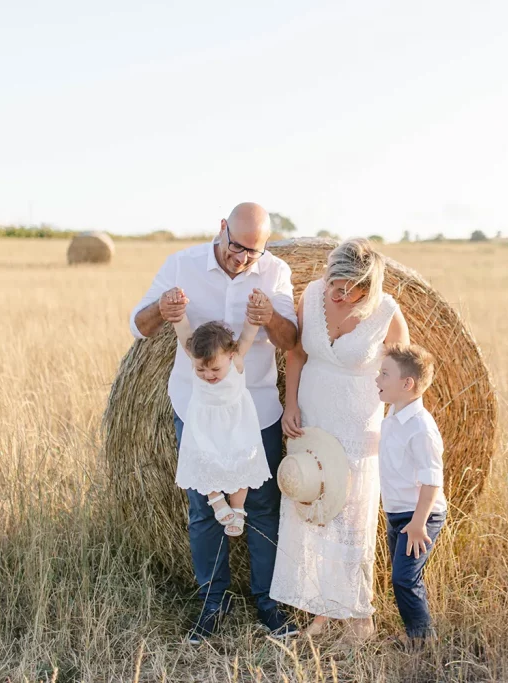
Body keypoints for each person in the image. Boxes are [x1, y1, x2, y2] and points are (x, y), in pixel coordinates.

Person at [129, 202, 299, 644]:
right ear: (221, 229)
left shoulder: (275, 272)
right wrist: (164, 308)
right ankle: (211, 607)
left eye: (253, 252)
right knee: (204, 509)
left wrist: (270, 319)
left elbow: (292, 340)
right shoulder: (181, 265)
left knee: (262, 508)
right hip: (196, 409)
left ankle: (269, 605)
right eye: (237, 247)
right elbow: (140, 326)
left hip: (256, 410)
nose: (243, 259)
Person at [271, 238, 410, 640]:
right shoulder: (312, 295)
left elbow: (405, 378)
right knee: (312, 506)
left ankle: (359, 616)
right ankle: (320, 612)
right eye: (337, 283)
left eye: (354, 288)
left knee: (351, 518)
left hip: (356, 425)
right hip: (312, 419)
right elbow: (296, 354)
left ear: (371, 287)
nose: (342, 293)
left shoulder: (386, 313)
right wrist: (290, 404)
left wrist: (398, 431)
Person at [169, 290, 273, 537]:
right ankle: (215, 499)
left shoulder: (237, 362)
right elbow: (183, 331)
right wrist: (177, 311)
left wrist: (254, 311)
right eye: (201, 370)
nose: (208, 375)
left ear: (231, 355)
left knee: (242, 464)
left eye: (215, 368)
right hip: (204, 424)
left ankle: (238, 510)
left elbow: (249, 333)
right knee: (205, 460)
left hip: (236, 424)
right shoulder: (198, 359)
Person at [375, 343, 447, 646]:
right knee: (404, 577)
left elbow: (432, 482)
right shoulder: (393, 415)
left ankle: (423, 639)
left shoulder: (421, 428)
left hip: (420, 515)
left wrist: (418, 523)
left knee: (404, 578)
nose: (377, 379)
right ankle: (415, 633)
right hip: (398, 512)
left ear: (407, 384)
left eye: (384, 374)